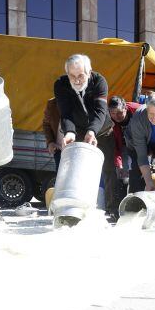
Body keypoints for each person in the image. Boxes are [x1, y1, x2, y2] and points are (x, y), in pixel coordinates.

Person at [54, 53, 116, 212]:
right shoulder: (60, 85)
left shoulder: (99, 82)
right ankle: (80, 209)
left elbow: (100, 112)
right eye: (72, 76)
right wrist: (69, 132)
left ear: (89, 72)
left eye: (81, 76)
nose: (76, 80)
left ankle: (111, 209)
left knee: (108, 170)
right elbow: (65, 113)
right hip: (79, 131)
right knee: (81, 170)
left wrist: (92, 131)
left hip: (102, 131)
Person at [107, 96, 141, 216]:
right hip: (124, 146)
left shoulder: (138, 111)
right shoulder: (111, 122)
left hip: (142, 144)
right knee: (122, 175)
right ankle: (119, 208)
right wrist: (119, 164)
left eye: (119, 113)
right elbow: (116, 146)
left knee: (140, 171)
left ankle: (138, 204)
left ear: (126, 108)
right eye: (112, 113)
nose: (116, 116)